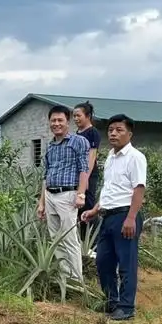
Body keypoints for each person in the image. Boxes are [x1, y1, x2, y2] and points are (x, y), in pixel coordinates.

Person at [79, 114, 146, 320]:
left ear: (129, 134)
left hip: (125, 215)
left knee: (126, 263)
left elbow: (138, 189)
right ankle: (112, 302)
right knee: (103, 261)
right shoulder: (110, 157)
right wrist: (95, 210)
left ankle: (126, 308)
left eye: (119, 130)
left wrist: (131, 218)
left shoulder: (135, 157)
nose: (114, 133)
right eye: (111, 130)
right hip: (107, 216)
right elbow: (110, 190)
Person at [36, 103, 90, 284]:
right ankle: (64, 277)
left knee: (69, 238)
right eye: (53, 120)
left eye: (60, 120)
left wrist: (81, 194)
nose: (56, 123)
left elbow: (84, 169)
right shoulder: (50, 145)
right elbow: (46, 175)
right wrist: (42, 202)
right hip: (50, 194)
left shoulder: (78, 141)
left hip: (68, 195)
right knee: (55, 238)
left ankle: (76, 280)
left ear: (68, 122)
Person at [74, 101, 102, 243]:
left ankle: (92, 242)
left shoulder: (92, 133)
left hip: (89, 175)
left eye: (78, 115)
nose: (76, 119)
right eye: (74, 116)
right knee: (77, 208)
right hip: (76, 174)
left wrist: (85, 180)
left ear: (88, 116)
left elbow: (91, 158)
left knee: (87, 206)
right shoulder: (76, 134)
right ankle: (79, 240)